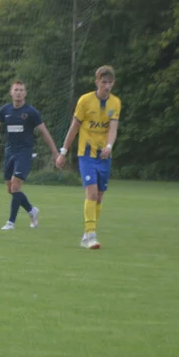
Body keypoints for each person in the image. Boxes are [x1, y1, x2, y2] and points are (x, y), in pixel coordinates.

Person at [55, 65, 121, 249]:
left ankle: (87, 235)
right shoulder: (85, 101)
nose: (106, 86)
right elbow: (74, 127)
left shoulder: (115, 103)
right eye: (103, 82)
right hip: (86, 154)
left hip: (104, 155)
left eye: (109, 82)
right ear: (97, 82)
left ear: (113, 83)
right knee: (91, 193)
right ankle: (91, 235)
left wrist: (109, 146)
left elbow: (113, 129)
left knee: (99, 197)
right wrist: (63, 152)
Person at [0, 79, 61, 230]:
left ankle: (10, 222)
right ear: (11, 93)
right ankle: (32, 211)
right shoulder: (4, 110)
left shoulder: (31, 112)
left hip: (24, 153)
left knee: (16, 184)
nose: (18, 93)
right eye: (16, 90)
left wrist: (54, 152)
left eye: (21, 90)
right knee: (10, 188)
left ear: (25, 93)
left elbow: (44, 132)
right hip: (9, 153)